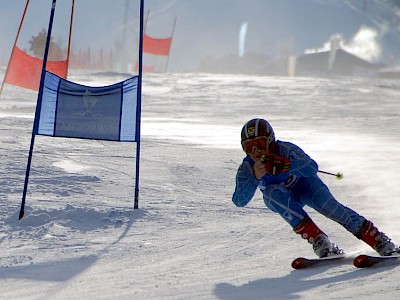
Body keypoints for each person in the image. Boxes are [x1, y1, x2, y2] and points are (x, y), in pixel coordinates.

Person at [232, 118, 399, 258]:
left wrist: (286, 165)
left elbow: (311, 167)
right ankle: (319, 240)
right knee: (271, 193)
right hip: (281, 198)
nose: (255, 151)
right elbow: (239, 201)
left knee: (331, 208)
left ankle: (378, 240)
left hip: (306, 186)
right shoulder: (248, 167)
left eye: (260, 144)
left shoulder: (284, 149)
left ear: (270, 141)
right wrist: (254, 177)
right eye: (249, 146)